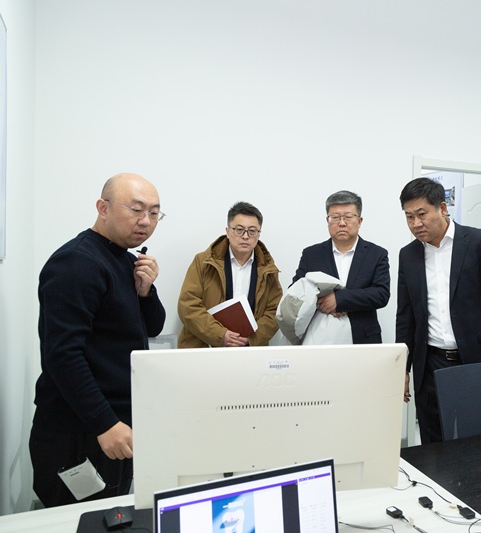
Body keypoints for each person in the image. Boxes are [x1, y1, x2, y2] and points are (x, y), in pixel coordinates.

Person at [30, 173, 166, 507]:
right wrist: (104, 423)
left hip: (113, 423)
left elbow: (153, 327)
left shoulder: (126, 259)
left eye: (154, 213)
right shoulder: (76, 262)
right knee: (80, 520)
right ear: (102, 208)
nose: (146, 221)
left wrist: (146, 292)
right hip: (80, 432)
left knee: (112, 515)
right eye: (136, 209)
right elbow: (63, 355)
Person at [396, 177, 481, 444]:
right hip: (429, 362)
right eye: (409, 217)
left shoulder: (479, 242)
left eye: (422, 214)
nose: (416, 223)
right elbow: (405, 316)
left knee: (475, 438)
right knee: (432, 439)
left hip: (475, 360)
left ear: (443, 208)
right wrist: (402, 368)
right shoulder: (408, 255)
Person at [178, 201, 282, 348]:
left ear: (259, 234)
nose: (245, 236)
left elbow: (274, 312)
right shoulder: (203, 262)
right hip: (203, 348)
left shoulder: (268, 269)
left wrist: (251, 338)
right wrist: (220, 335)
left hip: (248, 352)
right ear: (227, 231)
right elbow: (187, 305)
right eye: (239, 230)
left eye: (252, 231)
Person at [291, 190, 390, 343]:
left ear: (360, 221)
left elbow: (381, 294)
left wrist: (340, 300)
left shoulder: (376, 254)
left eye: (348, 217)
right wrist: (322, 303)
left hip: (363, 339)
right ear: (327, 220)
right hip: (320, 338)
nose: (342, 223)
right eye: (335, 217)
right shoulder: (311, 254)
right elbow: (296, 293)